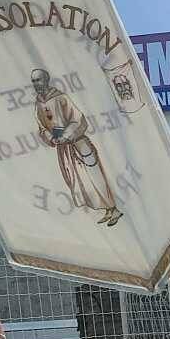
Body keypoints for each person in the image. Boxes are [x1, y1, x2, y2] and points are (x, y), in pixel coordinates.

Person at [32, 70, 122, 227]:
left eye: (38, 80)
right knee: (82, 181)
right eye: (33, 81)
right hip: (63, 148)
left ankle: (113, 209)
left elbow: (77, 119)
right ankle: (106, 210)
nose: (35, 84)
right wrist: (52, 137)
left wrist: (66, 135)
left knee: (95, 177)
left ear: (46, 80)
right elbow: (42, 127)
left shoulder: (60, 97)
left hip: (78, 143)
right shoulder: (38, 103)